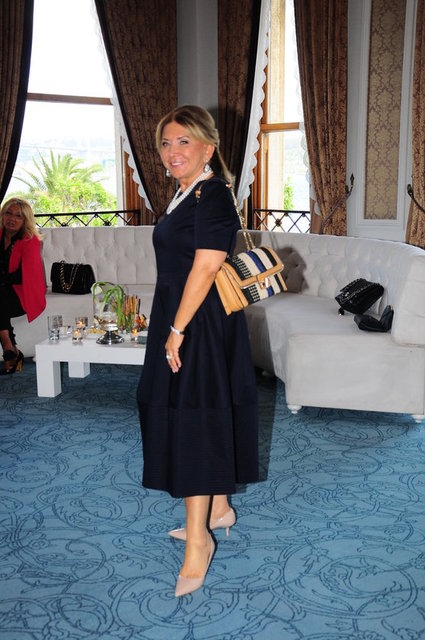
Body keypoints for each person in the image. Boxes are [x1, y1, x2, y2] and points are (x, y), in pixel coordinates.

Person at [137, 105, 259, 597]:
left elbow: (207, 266)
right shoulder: (186, 192)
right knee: (202, 412)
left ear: (208, 148)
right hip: (184, 315)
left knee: (193, 421)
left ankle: (198, 542)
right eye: (166, 143)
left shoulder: (213, 195)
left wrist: (176, 330)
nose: (172, 152)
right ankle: (220, 508)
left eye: (183, 141)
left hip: (197, 323)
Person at [0, 197, 46, 374]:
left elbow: (22, 276)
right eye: (8, 213)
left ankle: (8, 346)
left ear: (25, 220)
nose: (12, 219)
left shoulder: (30, 240)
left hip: (23, 294)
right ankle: (11, 350)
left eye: (18, 216)